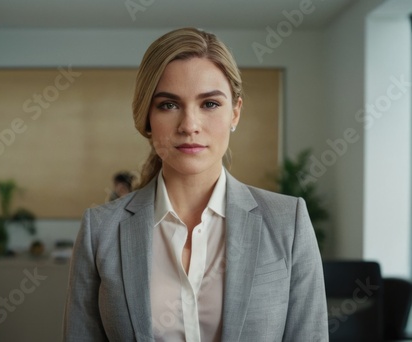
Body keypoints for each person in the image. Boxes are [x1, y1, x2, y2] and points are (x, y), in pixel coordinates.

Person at [63, 27, 328, 341]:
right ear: (146, 117)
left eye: (210, 104)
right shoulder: (101, 230)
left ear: (235, 112)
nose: (189, 125)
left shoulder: (288, 222)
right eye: (169, 105)